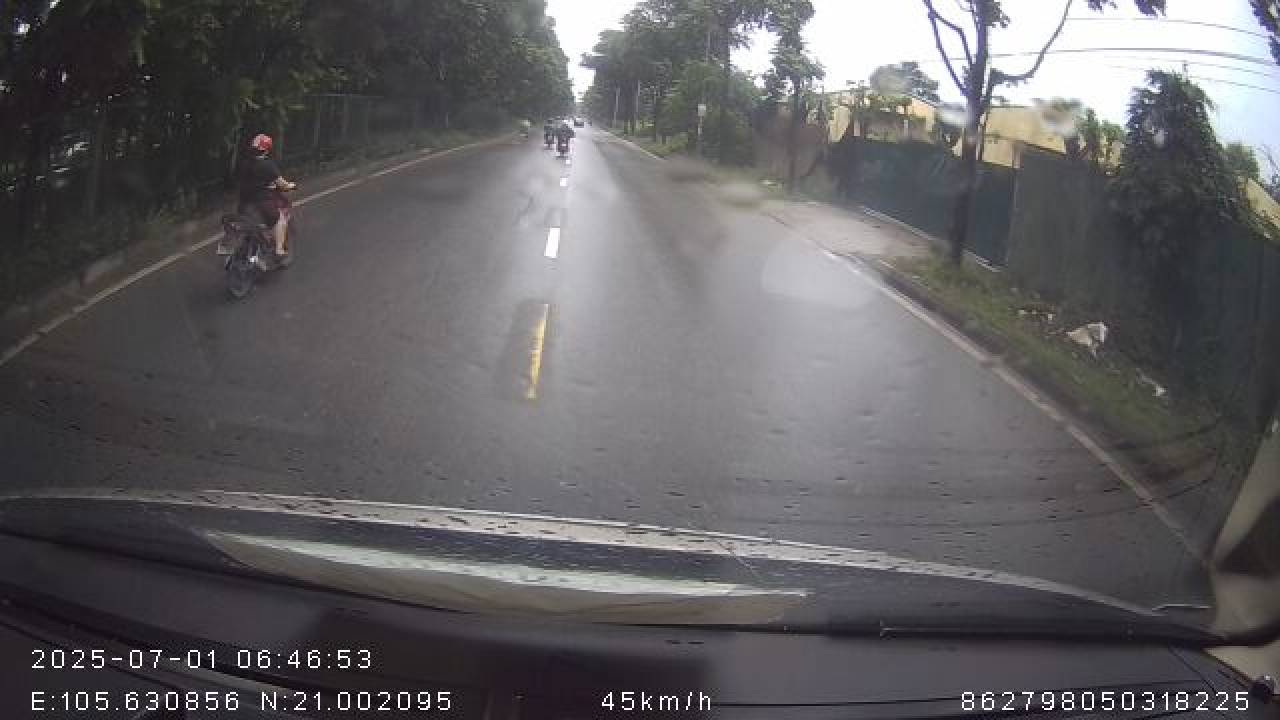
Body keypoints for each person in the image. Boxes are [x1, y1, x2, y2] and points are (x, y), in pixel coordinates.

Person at [237, 134, 295, 257]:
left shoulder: (244, 164)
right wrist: (291, 185)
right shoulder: (267, 165)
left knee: (252, 225)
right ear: (267, 150)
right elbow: (282, 185)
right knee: (280, 220)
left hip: (244, 204)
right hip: (262, 204)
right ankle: (279, 250)